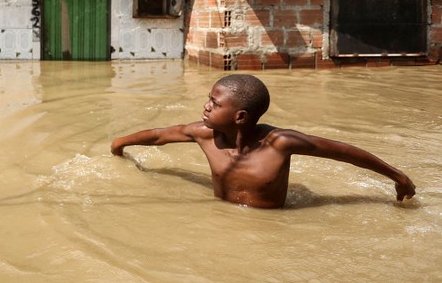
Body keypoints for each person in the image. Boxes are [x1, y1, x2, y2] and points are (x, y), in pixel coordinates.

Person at [110, 74, 416, 209]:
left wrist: (398, 177)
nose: (206, 107)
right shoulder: (204, 135)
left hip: (273, 222)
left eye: (214, 104)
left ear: (241, 117)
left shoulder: (280, 143)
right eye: (208, 100)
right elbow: (159, 136)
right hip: (224, 219)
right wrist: (120, 144)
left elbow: (345, 153)